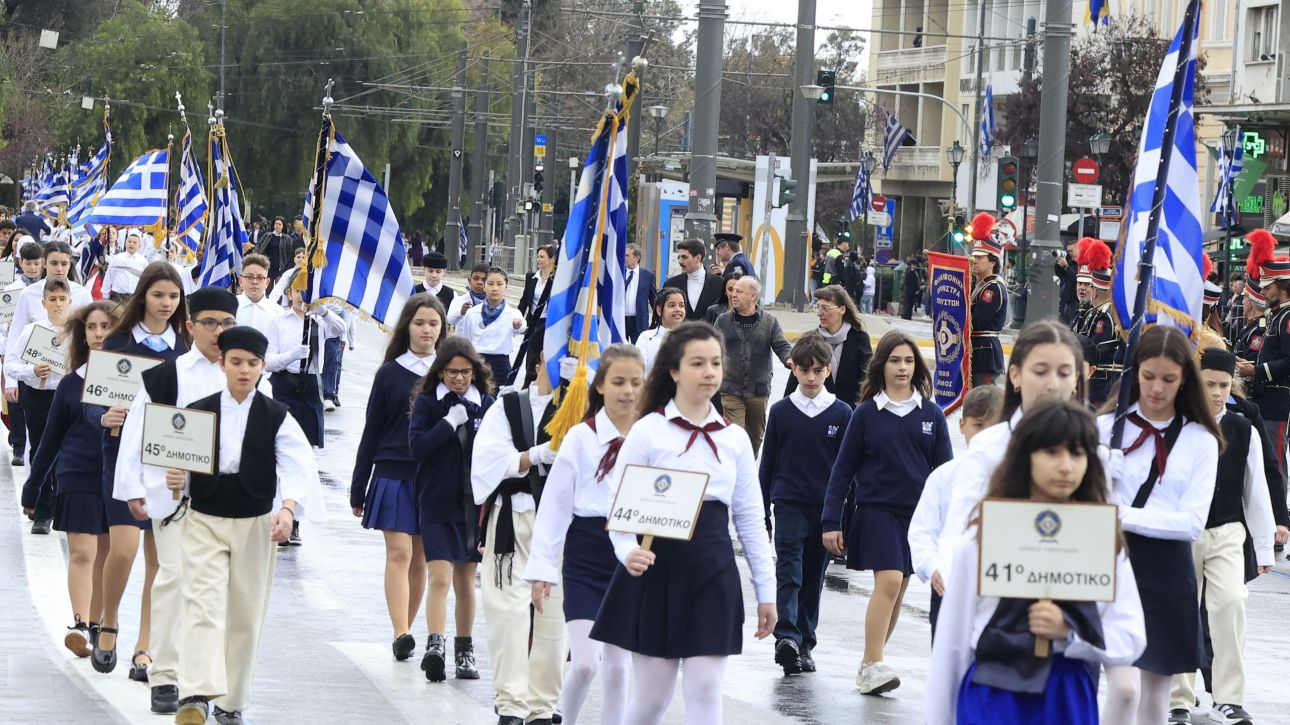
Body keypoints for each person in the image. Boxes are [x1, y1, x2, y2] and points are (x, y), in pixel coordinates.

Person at [590, 322, 776, 724]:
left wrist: (767, 591)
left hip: (713, 571)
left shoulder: (735, 439)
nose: (709, 372)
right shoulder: (648, 431)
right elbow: (616, 506)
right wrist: (627, 551)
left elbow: (750, 518)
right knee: (652, 698)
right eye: (697, 363)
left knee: (706, 690)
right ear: (674, 370)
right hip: (655, 571)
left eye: (715, 363)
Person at [925, 400, 1147, 724]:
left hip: (1065, 695)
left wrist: (1070, 633)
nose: (1066, 466)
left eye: (1077, 453)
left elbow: (1129, 636)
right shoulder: (984, 538)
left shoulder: (1101, 540)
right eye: (1052, 452)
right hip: (992, 692)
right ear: (1025, 455)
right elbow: (952, 643)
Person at [170, 326, 324, 725]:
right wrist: (174, 478)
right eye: (235, 362)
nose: (243, 370)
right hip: (204, 516)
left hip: (255, 522)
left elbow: (296, 464)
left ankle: (231, 701)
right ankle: (197, 693)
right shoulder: (199, 409)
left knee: (245, 612)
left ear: (262, 368)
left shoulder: (277, 416)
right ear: (221, 364)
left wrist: (287, 510)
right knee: (202, 603)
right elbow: (175, 458)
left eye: (252, 363)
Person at [1098, 325, 1221, 725]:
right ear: (1135, 372)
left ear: (1185, 378)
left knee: (1155, 697)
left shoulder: (1200, 439)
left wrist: (1120, 513)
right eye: (1148, 376)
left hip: (1168, 570)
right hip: (1112, 560)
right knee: (1122, 687)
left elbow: (1190, 522)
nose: (1156, 388)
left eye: (1168, 379)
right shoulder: (1106, 429)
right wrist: (1098, 475)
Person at [821, 330, 953, 694]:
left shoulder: (932, 415)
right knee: (890, 581)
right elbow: (842, 471)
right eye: (895, 360)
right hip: (877, 509)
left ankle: (869, 663)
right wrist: (831, 520)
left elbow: (946, 476)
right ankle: (874, 663)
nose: (903, 367)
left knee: (900, 588)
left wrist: (951, 524)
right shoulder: (865, 414)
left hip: (918, 517)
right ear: (882, 365)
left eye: (909, 361)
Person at [524, 344, 644, 725]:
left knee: (619, 670)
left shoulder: (651, 436)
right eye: (619, 382)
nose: (628, 391)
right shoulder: (580, 437)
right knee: (587, 664)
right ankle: (564, 716)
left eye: (636, 383)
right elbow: (555, 509)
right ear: (600, 387)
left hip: (632, 557)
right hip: (586, 555)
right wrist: (542, 568)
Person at [1167, 347, 1277, 725]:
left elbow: (1256, 489)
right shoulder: (1176, 425)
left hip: (1228, 530)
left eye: (1224, 385)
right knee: (1181, 610)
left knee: (1230, 603)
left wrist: (1264, 547)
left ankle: (1228, 698)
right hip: (1183, 532)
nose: (1216, 392)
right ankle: (1177, 697)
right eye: (1210, 383)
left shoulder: (1242, 428)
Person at [94, 262, 191, 682]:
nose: (166, 304)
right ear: (142, 296)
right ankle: (109, 620)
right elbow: (92, 398)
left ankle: (145, 645)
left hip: (168, 461)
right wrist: (104, 416)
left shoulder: (186, 348)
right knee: (125, 549)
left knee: (161, 559)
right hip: (122, 458)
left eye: (173, 296)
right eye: (158, 295)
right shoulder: (116, 343)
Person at [471, 348, 564, 725]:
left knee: (554, 614)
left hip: (560, 524)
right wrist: (537, 454)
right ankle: (511, 703)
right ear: (541, 358)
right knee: (507, 611)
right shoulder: (508, 406)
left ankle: (542, 706)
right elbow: (489, 462)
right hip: (513, 517)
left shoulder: (589, 412)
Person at [19, 300, 116, 656]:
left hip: (117, 478)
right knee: (82, 551)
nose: (99, 333)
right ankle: (79, 625)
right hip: (77, 473)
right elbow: (50, 440)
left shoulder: (139, 383)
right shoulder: (69, 384)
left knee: (107, 557)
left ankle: (98, 625)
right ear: (83, 335)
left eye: (105, 326)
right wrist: (33, 487)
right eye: (92, 327)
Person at [351, 295, 445, 661]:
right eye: (419, 322)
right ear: (407, 326)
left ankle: (405, 627)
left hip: (432, 477)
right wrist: (359, 485)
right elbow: (371, 430)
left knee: (420, 557)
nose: (426, 330)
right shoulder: (389, 373)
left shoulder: (449, 373)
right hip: (392, 471)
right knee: (400, 550)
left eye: (433, 323)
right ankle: (400, 630)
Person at [760, 334, 852, 675]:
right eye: (804, 370)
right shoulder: (782, 411)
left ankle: (805, 642)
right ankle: (787, 638)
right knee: (789, 571)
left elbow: (848, 472)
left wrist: (841, 519)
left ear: (828, 370)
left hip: (825, 511)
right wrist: (763, 513)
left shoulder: (843, 413)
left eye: (818, 370)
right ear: (793, 369)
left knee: (813, 576)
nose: (811, 378)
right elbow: (767, 465)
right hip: (787, 503)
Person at [409, 336, 493, 682]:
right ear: (440, 371)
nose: (459, 379)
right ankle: (435, 645)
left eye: (466, 372)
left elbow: (493, 453)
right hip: (436, 502)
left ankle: (465, 648)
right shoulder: (429, 404)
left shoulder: (487, 404)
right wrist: (448, 423)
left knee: (465, 580)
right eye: (452, 372)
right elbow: (418, 448)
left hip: (472, 506)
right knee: (440, 576)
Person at [907, 384, 1003, 638]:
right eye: (978, 426)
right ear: (962, 426)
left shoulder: (1017, 478)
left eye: (994, 428)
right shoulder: (944, 476)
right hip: (948, 587)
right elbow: (922, 531)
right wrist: (933, 567)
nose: (985, 436)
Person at [7, 277, 73, 534]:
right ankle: (42, 510)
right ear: (44, 303)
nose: (58, 304)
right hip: (40, 397)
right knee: (42, 452)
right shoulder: (32, 331)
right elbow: (11, 364)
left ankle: (63, 506)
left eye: (62, 299)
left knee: (68, 453)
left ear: (70, 301)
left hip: (68, 398)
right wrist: (31, 370)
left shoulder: (79, 332)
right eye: (53, 300)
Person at [265, 269, 346, 450]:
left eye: (307, 292)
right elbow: (268, 363)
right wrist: (292, 355)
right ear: (289, 293)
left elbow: (341, 328)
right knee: (280, 444)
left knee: (306, 447)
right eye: (298, 290)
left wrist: (323, 311)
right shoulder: (278, 320)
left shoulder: (319, 320)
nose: (302, 296)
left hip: (310, 384)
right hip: (284, 383)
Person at [713, 276, 790, 455]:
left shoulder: (769, 321)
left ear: (753, 296)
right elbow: (712, 346)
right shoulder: (723, 321)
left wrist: (789, 359)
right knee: (736, 436)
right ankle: (737, 473)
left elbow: (781, 345)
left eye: (739, 291)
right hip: (730, 389)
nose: (733, 295)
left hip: (759, 390)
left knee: (755, 438)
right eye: (733, 291)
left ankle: (747, 464)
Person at [1238, 229, 1290, 478]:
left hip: (1277, 400)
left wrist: (1255, 370)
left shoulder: (1287, 317)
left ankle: (1281, 515)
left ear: (1281, 287)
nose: (1264, 292)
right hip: (1264, 398)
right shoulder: (1278, 316)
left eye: (1268, 287)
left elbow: (1288, 362)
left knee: (1275, 462)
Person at [784, 285, 871, 405]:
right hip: (814, 412)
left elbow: (867, 379)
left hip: (850, 414)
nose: (819, 313)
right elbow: (793, 383)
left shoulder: (859, 339)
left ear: (842, 310)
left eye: (825, 308)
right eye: (818, 307)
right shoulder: (810, 340)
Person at [3, 240, 43, 465]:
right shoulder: (12, 289)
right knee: (16, 398)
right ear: (21, 263)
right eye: (28, 263)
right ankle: (19, 445)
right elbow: (5, 325)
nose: (33, 268)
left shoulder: (48, 290)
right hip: (17, 349)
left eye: (37, 263)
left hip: (42, 353)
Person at [1072, 237, 1122, 408]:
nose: (1085, 289)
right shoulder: (1094, 313)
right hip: (1092, 382)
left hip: (1101, 384)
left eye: (1089, 286)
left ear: (1095, 290)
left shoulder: (1105, 315)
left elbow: (1096, 349)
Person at [456, 267, 526, 387]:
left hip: (501, 365)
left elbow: (522, 327)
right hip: (478, 363)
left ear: (506, 287)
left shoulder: (513, 313)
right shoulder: (472, 313)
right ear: (484, 286)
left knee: (502, 401)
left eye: (499, 284)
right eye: (490, 284)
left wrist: (518, 324)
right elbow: (466, 341)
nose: (495, 288)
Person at [968, 213, 1007, 388]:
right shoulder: (981, 285)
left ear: (992, 262)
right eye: (974, 257)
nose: (974, 261)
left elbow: (978, 320)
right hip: (977, 352)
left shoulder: (992, 288)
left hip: (985, 354)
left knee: (984, 404)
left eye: (979, 258)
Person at [516, 245, 556, 387]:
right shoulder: (531, 277)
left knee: (546, 355)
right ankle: (527, 386)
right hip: (533, 323)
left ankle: (545, 385)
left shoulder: (556, 280)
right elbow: (524, 301)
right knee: (531, 355)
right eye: (538, 256)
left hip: (549, 323)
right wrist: (518, 318)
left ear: (551, 259)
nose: (538, 259)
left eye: (542, 257)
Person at [662, 239, 723, 321]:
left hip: (708, 333)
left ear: (698, 258)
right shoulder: (671, 284)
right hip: (679, 333)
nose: (680, 261)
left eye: (684, 257)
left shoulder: (719, 284)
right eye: (679, 257)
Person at [635, 287, 685, 374]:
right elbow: (638, 369)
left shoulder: (691, 337)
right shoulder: (646, 337)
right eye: (672, 305)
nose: (678, 309)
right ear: (659, 310)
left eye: (681, 305)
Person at [233, 255, 283, 335]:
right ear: (241, 281)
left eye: (260, 278)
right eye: (249, 277)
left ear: (267, 282)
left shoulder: (278, 312)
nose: (254, 282)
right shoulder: (230, 307)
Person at [320, 301, 352, 410]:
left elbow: (347, 310)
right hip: (313, 315)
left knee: (332, 358)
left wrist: (344, 337)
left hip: (334, 319)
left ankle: (328, 395)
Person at [623, 243, 656, 343]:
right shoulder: (618, 273)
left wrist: (657, 321)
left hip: (639, 322)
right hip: (620, 320)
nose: (624, 258)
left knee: (638, 351)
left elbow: (654, 300)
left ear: (637, 258)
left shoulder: (648, 276)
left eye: (627, 255)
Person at [103, 232, 150, 301]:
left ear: (139, 245)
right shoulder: (117, 258)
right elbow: (109, 277)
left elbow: (146, 280)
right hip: (117, 296)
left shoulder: (143, 261)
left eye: (134, 242)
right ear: (125, 243)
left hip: (135, 297)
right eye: (129, 241)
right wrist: (105, 295)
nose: (131, 244)